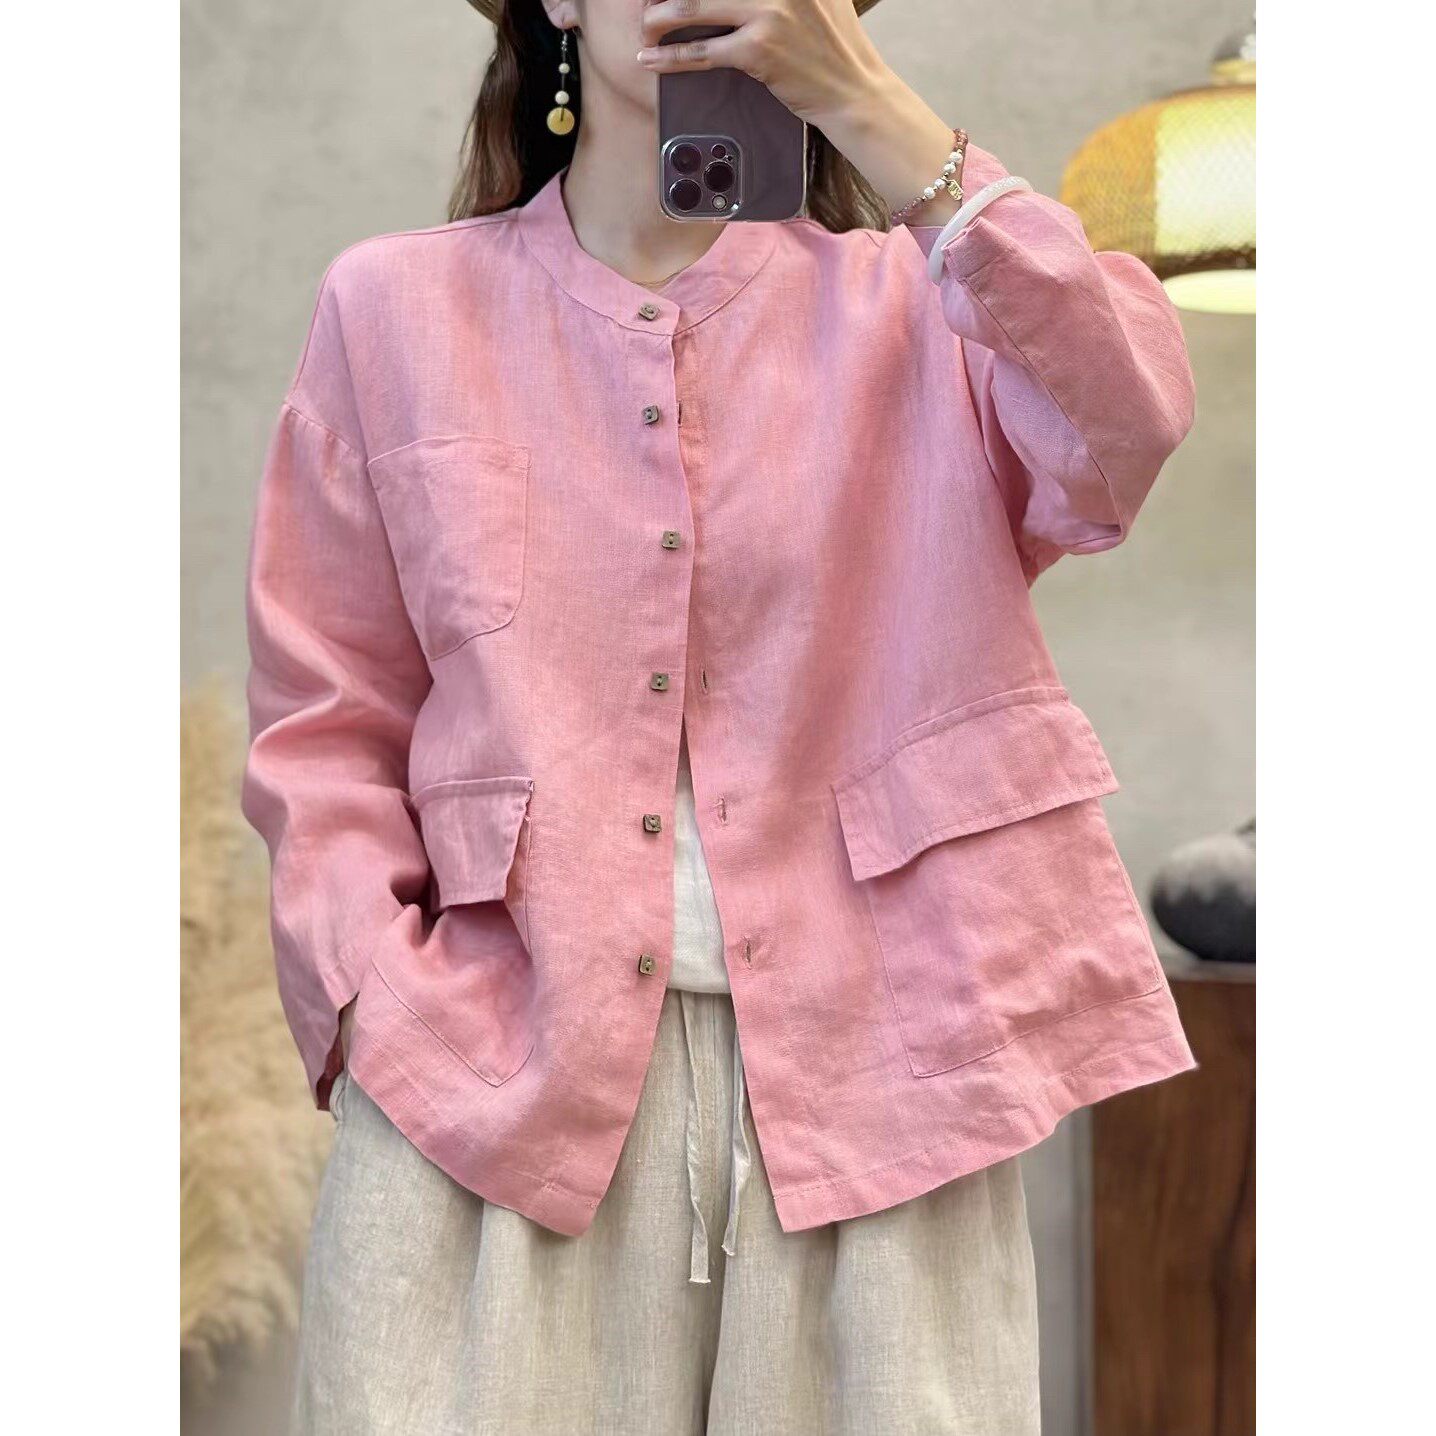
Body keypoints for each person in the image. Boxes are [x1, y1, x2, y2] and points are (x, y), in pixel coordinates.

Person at [241, 0, 1199, 1430]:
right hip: (488, 1093)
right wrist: (375, 999)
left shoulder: (921, 305)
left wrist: (878, 117)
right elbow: (326, 716)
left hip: (888, 1087)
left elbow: (1122, 428)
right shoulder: (393, 310)